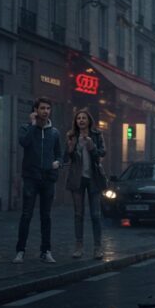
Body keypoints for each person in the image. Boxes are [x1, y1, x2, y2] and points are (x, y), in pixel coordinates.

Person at [14, 97, 63, 264]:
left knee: (46, 216)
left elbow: (59, 154)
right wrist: (33, 125)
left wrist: (57, 163)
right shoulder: (26, 128)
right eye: (42, 108)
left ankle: (46, 251)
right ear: (35, 110)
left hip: (48, 179)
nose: (45, 111)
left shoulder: (54, 132)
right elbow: (24, 142)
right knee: (26, 215)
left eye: (48, 108)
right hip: (31, 178)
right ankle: (20, 251)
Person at [64, 109, 107, 260]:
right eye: (78, 118)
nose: (81, 120)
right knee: (78, 214)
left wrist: (92, 147)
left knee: (95, 215)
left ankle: (97, 248)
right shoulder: (71, 135)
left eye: (84, 118)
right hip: (77, 178)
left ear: (89, 121)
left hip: (93, 178)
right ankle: (79, 247)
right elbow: (66, 157)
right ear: (76, 122)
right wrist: (70, 148)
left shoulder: (96, 135)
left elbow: (102, 153)